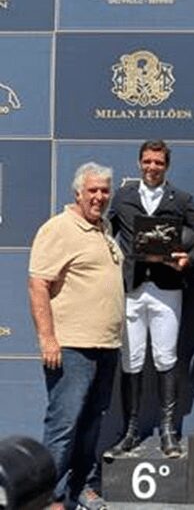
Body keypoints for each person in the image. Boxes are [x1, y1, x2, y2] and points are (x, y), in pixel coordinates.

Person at [104, 140, 194, 459]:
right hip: (131, 289)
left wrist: (189, 260)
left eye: (158, 163)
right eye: (147, 161)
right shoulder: (123, 197)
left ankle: (167, 431)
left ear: (167, 166)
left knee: (165, 358)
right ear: (139, 163)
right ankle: (130, 432)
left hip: (167, 289)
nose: (152, 167)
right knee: (131, 360)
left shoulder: (181, 199)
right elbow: (104, 233)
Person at [29, 162, 124, 510]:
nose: (99, 197)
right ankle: (48, 498)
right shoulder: (59, 228)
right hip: (71, 347)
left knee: (91, 424)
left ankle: (81, 488)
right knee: (64, 424)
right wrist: (47, 338)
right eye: (92, 190)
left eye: (104, 190)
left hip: (106, 345)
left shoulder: (104, 228)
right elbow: (38, 284)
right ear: (78, 193)